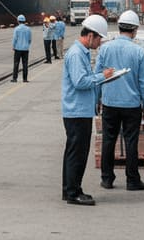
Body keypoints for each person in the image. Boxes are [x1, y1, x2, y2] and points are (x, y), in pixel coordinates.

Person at [61, 14, 115, 206]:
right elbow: (80, 82)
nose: (100, 43)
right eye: (99, 38)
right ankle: (73, 192)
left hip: (79, 110)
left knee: (73, 152)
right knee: (78, 153)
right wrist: (102, 76)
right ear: (90, 35)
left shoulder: (81, 52)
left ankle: (71, 189)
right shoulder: (76, 54)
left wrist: (102, 77)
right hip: (77, 111)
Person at [95, 10, 144, 191]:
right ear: (135, 30)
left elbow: (97, 76)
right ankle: (132, 180)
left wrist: (97, 99)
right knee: (131, 142)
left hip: (110, 103)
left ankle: (107, 178)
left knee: (108, 140)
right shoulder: (138, 52)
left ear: (118, 27)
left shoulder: (105, 48)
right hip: (131, 105)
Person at [11, 14, 32, 82]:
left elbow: (15, 39)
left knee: (16, 63)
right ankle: (25, 79)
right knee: (25, 64)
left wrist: (13, 46)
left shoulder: (16, 29)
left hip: (18, 49)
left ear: (18, 21)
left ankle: (15, 78)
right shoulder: (28, 29)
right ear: (24, 21)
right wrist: (27, 45)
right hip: (26, 49)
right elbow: (30, 39)